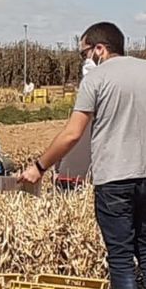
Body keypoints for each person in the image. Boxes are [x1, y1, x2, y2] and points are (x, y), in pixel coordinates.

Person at [17, 22, 146, 289]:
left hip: (114, 178)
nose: (85, 59)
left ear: (99, 48)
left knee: (121, 256)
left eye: (84, 52)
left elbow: (72, 134)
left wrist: (39, 167)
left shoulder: (95, 80)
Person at [55, 55, 98, 190]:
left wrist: (47, 167)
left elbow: (67, 139)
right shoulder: (104, 118)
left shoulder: (78, 117)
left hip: (67, 178)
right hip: (87, 181)